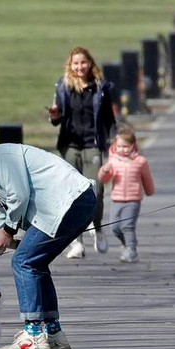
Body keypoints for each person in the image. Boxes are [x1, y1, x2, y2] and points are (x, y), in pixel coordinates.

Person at [0, 119, 95, 349]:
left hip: (68, 201)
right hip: (76, 201)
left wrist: (8, 231)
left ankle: (33, 335)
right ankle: (53, 333)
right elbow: (2, 217)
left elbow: (19, 196)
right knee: (35, 262)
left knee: (23, 262)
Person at [47, 46, 116, 259]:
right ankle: (76, 241)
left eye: (83, 63)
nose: (79, 67)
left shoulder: (100, 88)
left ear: (90, 63)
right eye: (75, 63)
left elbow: (108, 119)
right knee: (71, 194)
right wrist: (54, 115)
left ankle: (98, 229)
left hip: (93, 145)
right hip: (70, 145)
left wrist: (114, 144)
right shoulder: (63, 86)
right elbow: (55, 120)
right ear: (70, 65)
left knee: (96, 191)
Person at [97, 127, 155, 263]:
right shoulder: (113, 161)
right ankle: (127, 243)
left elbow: (147, 178)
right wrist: (104, 171)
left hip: (133, 199)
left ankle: (131, 250)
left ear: (133, 146)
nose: (122, 149)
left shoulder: (140, 161)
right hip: (117, 199)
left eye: (126, 147)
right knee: (115, 227)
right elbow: (104, 180)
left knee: (127, 226)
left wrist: (149, 191)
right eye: (119, 147)